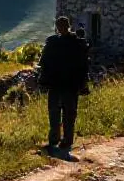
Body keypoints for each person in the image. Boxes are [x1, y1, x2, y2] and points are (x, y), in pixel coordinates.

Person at [36, 16, 90, 160]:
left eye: (60, 25)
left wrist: (43, 81)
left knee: (60, 113)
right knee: (65, 114)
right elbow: (84, 66)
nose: (60, 28)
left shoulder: (54, 43)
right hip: (66, 85)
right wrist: (83, 84)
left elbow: (44, 63)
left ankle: (58, 141)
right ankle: (63, 141)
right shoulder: (77, 44)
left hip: (62, 85)